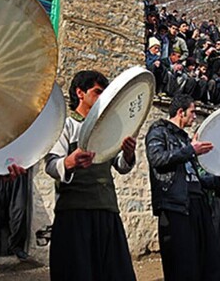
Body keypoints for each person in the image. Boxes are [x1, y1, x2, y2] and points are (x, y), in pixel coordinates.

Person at [45, 70, 137, 281]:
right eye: (97, 92)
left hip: (107, 211)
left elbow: (121, 166)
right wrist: (70, 162)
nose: (100, 99)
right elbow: (51, 165)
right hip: (75, 214)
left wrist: (129, 153)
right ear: (80, 92)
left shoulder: (108, 131)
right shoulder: (65, 126)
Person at [145, 94, 220, 281]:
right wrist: (191, 150)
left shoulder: (186, 140)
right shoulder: (158, 131)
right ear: (180, 112)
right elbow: (156, 158)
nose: (195, 117)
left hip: (197, 204)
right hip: (175, 205)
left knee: (210, 261)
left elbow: (197, 178)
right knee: (183, 265)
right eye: (192, 112)